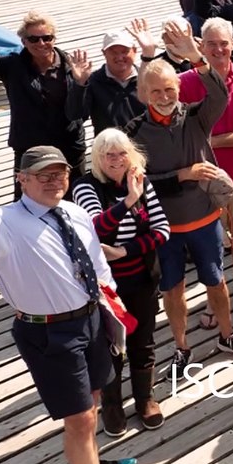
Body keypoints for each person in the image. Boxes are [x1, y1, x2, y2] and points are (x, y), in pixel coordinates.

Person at [0, 146, 139, 464]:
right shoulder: (3, 223)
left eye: (59, 173)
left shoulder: (75, 212)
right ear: (22, 180)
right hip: (48, 331)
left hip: (91, 320)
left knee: (91, 406)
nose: (53, 181)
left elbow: (97, 263)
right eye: (43, 175)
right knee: (80, 418)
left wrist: (111, 301)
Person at [125, 30, 233, 377]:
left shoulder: (196, 117)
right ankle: (182, 347)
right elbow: (135, 183)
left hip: (205, 220)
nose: (164, 96)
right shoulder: (134, 132)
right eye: (156, 91)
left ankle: (227, 335)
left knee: (216, 281)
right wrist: (182, 175)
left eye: (170, 90)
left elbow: (220, 93)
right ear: (143, 95)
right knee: (173, 290)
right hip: (163, 228)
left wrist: (197, 58)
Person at [71, 130, 169, 436]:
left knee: (144, 340)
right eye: (108, 154)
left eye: (122, 153)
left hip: (141, 278)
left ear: (132, 155)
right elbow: (96, 229)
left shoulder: (143, 182)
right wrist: (130, 200)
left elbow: (163, 230)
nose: (116, 160)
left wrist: (124, 251)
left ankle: (145, 398)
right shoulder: (85, 186)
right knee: (109, 345)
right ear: (97, 158)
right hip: (106, 287)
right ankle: (112, 406)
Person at [177, 18, 233, 318]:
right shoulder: (186, 82)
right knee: (209, 246)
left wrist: (210, 141)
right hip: (202, 182)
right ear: (201, 46)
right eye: (212, 44)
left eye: (224, 43)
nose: (218, 49)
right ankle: (215, 303)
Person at [0, 12, 86, 198]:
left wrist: (80, 84)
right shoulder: (12, 66)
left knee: (74, 201)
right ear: (23, 41)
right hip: (29, 149)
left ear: (54, 38)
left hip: (68, 148)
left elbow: (81, 113)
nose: (41, 43)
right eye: (33, 39)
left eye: (47, 38)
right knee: (24, 205)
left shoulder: (72, 66)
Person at [65, 26, 146, 135]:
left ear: (135, 51)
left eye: (124, 51)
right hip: (110, 149)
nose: (120, 57)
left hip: (145, 145)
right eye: (114, 52)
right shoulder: (93, 82)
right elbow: (74, 114)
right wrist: (79, 84)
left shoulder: (147, 78)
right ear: (104, 53)